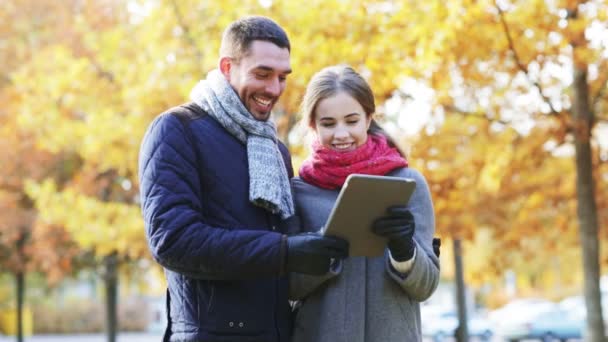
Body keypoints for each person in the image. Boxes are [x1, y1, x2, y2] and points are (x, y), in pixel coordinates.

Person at [138, 17, 348, 342]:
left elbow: (287, 241)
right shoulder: (177, 130)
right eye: (262, 74)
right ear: (226, 67)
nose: (274, 89)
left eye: (282, 78)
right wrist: (285, 252)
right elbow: (173, 241)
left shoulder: (275, 149)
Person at [288, 65, 440, 342]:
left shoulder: (408, 184)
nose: (341, 134)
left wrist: (405, 251)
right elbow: (287, 288)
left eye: (351, 120)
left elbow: (426, 287)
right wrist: (319, 253)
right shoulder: (298, 192)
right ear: (312, 125)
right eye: (328, 123)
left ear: (368, 119)